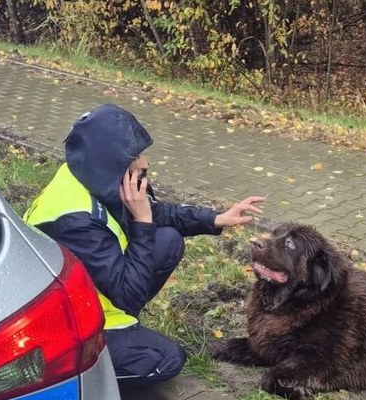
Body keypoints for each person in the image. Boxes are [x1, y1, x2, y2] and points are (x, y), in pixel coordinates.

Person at [25, 103, 264, 383]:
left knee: (168, 240)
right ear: (110, 161)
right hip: (63, 323)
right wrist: (141, 223)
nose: (144, 163)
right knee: (166, 359)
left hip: (97, 295)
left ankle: (125, 333)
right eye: (135, 156)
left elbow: (158, 212)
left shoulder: (92, 175)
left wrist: (215, 219)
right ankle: (71, 379)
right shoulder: (75, 221)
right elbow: (128, 292)